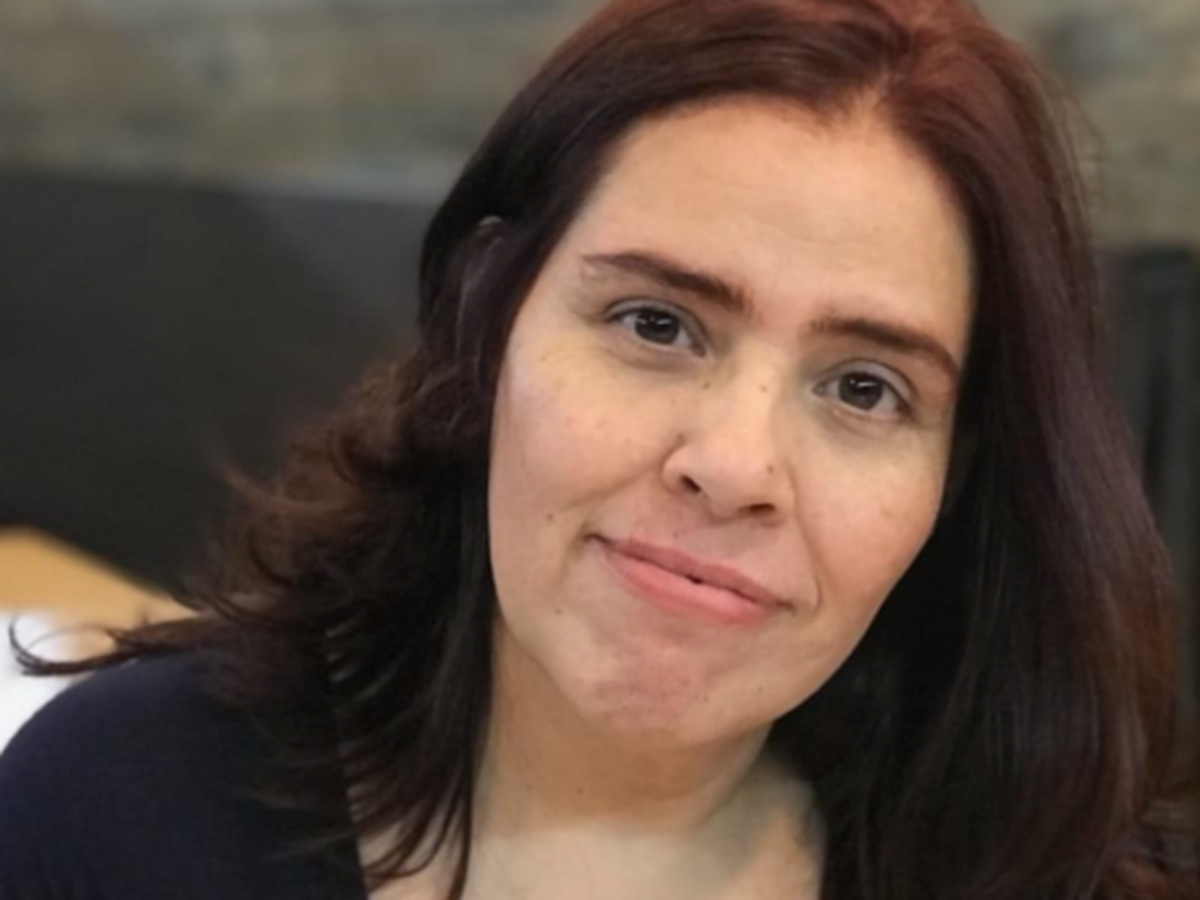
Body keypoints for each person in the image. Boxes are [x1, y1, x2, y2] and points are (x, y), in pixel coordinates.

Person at [0, 0, 1194, 897]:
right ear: (489, 315)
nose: (733, 464)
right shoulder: (119, 810)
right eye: (656, 325)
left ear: (956, 476)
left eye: (865, 389)